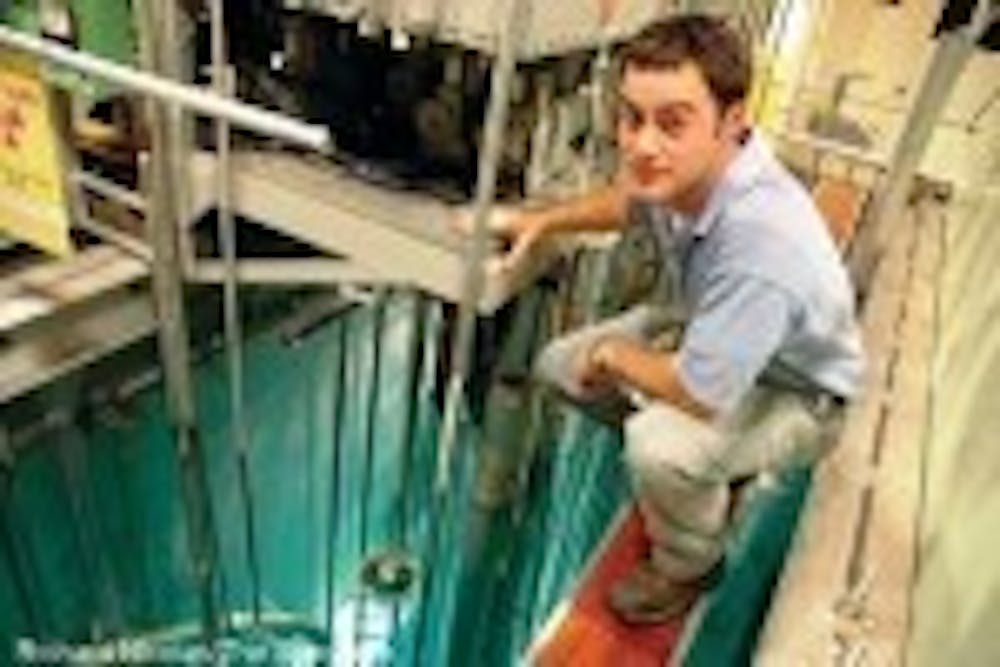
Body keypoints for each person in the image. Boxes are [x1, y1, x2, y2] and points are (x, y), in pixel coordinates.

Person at [462, 15, 865, 624]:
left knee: (658, 445)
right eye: (632, 118)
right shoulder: (691, 170)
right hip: (709, 332)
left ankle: (690, 562)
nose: (643, 145)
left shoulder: (761, 244)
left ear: (732, 121)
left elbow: (701, 393)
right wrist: (541, 220)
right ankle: (705, 474)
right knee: (557, 366)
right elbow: (626, 202)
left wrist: (615, 356)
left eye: (672, 122)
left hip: (796, 393)